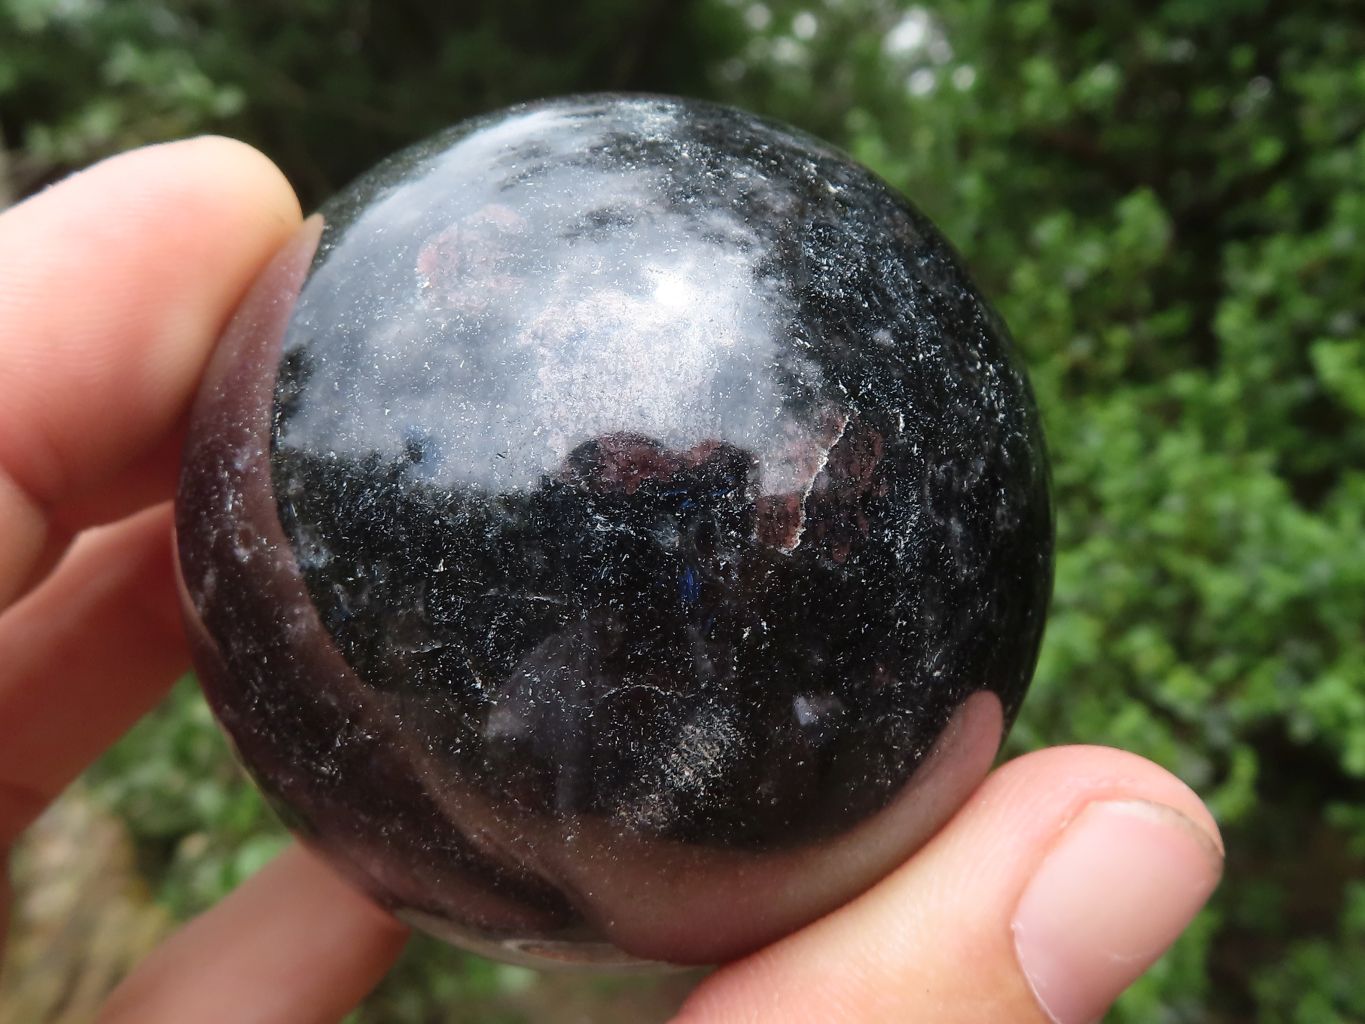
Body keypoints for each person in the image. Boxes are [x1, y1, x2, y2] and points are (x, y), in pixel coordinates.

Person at [0, 138, 1223, 1024]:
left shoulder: (817, 616)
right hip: (562, 747)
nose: (670, 508)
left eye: (690, 487)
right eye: (633, 490)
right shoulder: (527, 692)